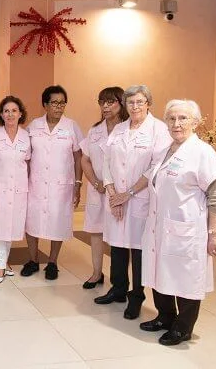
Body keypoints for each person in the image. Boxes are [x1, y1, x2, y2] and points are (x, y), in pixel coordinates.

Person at [140, 99, 216, 346]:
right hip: (160, 226)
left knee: (185, 277)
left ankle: (183, 327)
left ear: (195, 122)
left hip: (187, 228)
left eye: (183, 118)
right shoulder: (166, 149)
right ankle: (165, 317)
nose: (177, 123)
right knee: (159, 272)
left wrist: (213, 233)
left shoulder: (202, 152)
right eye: (172, 118)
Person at [94, 85, 172, 320]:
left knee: (138, 249)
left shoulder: (159, 130)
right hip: (116, 197)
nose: (135, 106)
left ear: (148, 103)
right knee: (117, 246)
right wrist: (111, 192)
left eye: (139, 102)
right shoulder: (119, 129)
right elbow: (106, 161)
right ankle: (117, 288)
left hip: (140, 198)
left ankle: (135, 296)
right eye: (131, 102)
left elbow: (154, 168)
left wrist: (126, 194)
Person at [21, 85, 83, 280]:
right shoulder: (33, 126)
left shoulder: (71, 126)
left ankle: (53, 263)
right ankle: (33, 260)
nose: (59, 107)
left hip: (61, 186)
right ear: (45, 104)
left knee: (59, 222)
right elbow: (26, 156)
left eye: (62, 103)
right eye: (54, 103)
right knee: (32, 222)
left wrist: (78, 183)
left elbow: (79, 156)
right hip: (36, 184)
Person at [79, 87, 128, 289]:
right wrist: (96, 183)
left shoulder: (128, 129)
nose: (105, 106)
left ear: (121, 103)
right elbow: (85, 160)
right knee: (96, 231)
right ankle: (96, 273)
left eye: (111, 102)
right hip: (98, 190)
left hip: (120, 192)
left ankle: (120, 282)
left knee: (119, 236)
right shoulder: (95, 130)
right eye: (102, 102)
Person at [0, 96, 30, 283]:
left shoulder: (26, 137)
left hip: (18, 191)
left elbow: (28, 164)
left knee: (10, 228)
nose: (10, 114)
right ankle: (0, 267)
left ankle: (5, 262)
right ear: (1, 115)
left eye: (14, 110)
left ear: (20, 114)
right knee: (0, 228)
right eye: (6, 111)